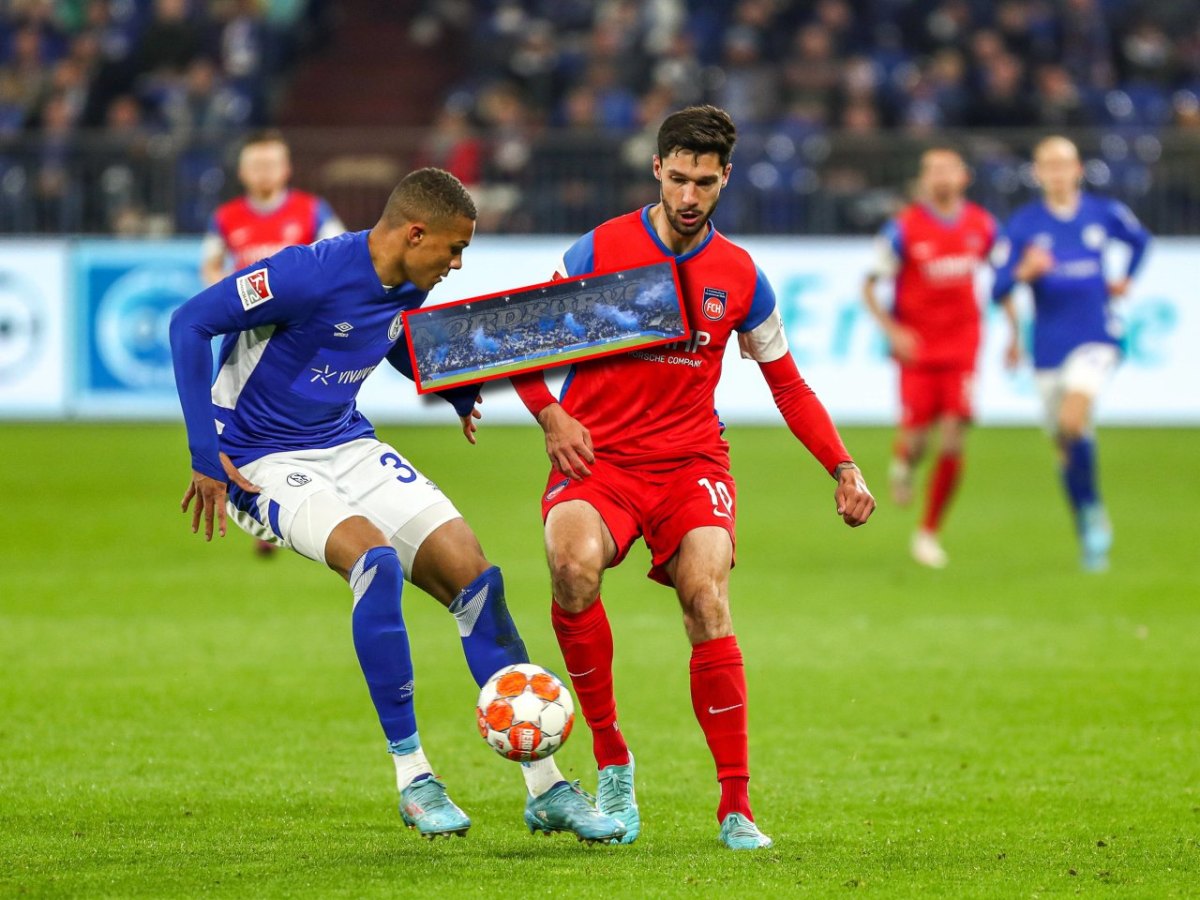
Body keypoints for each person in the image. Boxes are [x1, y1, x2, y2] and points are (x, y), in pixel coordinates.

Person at [169, 168, 625, 843]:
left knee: (477, 579)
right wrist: (206, 455)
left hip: (343, 441)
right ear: (415, 233)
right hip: (261, 459)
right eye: (453, 248)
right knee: (375, 562)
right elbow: (189, 322)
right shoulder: (305, 274)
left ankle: (547, 788)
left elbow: (377, 340)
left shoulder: (407, 280)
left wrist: (447, 390)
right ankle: (415, 777)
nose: (457, 263)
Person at [509, 106, 875, 851]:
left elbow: (789, 385)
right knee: (571, 567)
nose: (689, 195)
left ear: (724, 180)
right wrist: (550, 414)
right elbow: (521, 339)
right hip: (598, 459)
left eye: (704, 182)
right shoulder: (599, 249)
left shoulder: (741, 275)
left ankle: (735, 806)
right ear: (657, 170)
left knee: (707, 600)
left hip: (689, 464)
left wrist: (842, 465)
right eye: (677, 178)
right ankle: (613, 759)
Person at [992, 136, 1150, 572]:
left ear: (1078, 169)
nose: (1057, 171)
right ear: (1038, 172)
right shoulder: (1024, 225)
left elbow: (1141, 241)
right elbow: (998, 287)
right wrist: (1025, 271)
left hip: (1097, 336)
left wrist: (1126, 280)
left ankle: (1094, 509)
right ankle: (1085, 518)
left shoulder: (1103, 213)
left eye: (1064, 163)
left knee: (1071, 420)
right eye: (1048, 164)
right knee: (1065, 445)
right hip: (1047, 348)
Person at [201, 129, 346, 556]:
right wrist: (227, 302)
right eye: (256, 164)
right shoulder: (226, 217)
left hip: (301, 338)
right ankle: (266, 502)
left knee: (311, 412)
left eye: (271, 163)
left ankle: (303, 497)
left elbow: (339, 255)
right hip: (247, 340)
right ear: (243, 172)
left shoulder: (312, 211)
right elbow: (210, 265)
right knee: (240, 421)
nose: (264, 172)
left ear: (286, 169)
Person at [863, 146, 997, 568]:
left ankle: (928, 532)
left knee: (956, 431)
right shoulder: (902, 231)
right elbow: (868, 286)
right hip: (918, 350)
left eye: (947, 170)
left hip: (963, 347)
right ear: (923, 179)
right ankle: (904, 463)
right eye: (931, 171)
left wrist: (1012, 325)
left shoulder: (982, 225)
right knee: (919, 438)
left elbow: (1005, 274)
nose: (939, 178)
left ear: (964, 177)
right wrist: (894, 330)